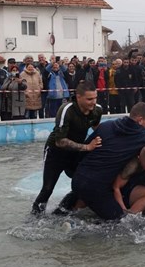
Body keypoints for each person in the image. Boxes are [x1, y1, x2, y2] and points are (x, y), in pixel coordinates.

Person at [71, 102, 145, 220]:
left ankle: (71, 215)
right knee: (120, 221)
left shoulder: (106, 126)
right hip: (95, 187)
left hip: (77, 179)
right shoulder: (142, 137)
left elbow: (83, 150)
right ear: (140, 120)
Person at [32, 82, 103, 214]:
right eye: (89, 99)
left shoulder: (97, 110)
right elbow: (60, 141)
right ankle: (35, 217)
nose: (93, 103)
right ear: (78, 97)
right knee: (47, 188)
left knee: (83, 183)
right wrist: (87, 147)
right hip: (55, 152)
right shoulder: (67, 110)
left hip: (75, 153)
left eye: (95, 98)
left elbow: (97, 130)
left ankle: (62, 209)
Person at [112, 146, 145, 214]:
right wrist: (123, 209)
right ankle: (129, 215)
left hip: (139, 185)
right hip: (126, 191)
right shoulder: (131, 167)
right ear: (139, 158)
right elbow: (116, 187)